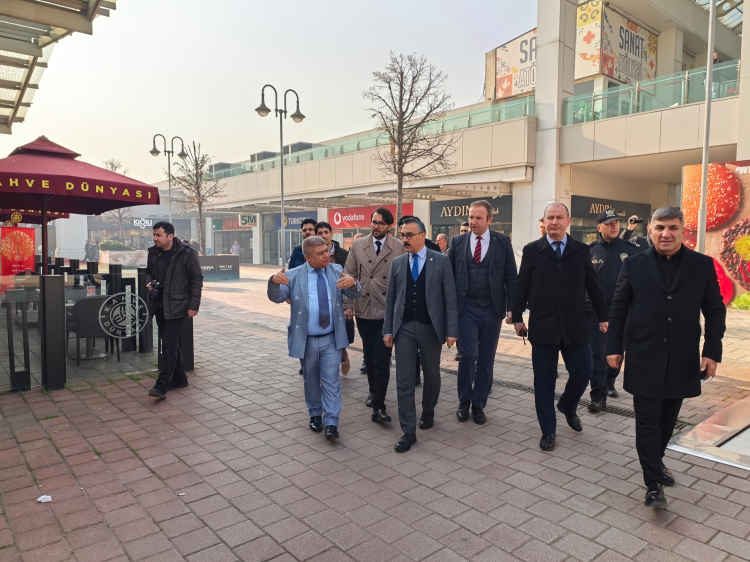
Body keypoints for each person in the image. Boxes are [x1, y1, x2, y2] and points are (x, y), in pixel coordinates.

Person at [607, 206, 726, 508]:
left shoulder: (702, 265)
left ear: (683, 231)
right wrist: (613, 347)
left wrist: (712, 352)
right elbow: (618, 309)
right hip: (644, 355)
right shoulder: (634, 264)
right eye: (660, 228)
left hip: (683, 357)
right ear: (650, 230)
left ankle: (655, 462)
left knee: (667, 420)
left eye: (673, 227)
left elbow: (715, 310)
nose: (666, 234)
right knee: (647, 421)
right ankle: (653, 484)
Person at [512, 203, 608, 452]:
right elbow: (522, 285)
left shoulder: (581, 249)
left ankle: (567, 405)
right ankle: (548, 430)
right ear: (544, 221)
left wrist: (603, 316)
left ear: (568, 221)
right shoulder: (532, 250)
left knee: (583, 372)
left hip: (575, 324)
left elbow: (593, 285)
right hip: (543, 326)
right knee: (544, 382)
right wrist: (517, 317)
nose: (554, 221)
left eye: (559, 217)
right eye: (550, 217)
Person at [267, 236, 361, 439]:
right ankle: (315, 414)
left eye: (326, 250)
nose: (327, 255)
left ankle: (331, 422)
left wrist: (354, 283)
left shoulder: (336, 270)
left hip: (331, 338)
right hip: (307, 339)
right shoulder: (293, 275)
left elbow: (354, 294)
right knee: (310, 379)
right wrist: (273, 282)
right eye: (321, 253)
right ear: (308, 257)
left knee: (331, 379)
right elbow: (277, 297)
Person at [383, 217, 458, 452]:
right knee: (403, 379)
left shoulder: (441, 261)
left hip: (430, 328)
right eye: (402, 235)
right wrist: (388, 329)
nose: (404, 239)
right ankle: (408, 431)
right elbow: (391, 300)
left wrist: (451, 330)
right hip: (404, 328)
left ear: (422, 235)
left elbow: (450, 298)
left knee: (432, 374)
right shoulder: (397, 263)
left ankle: (428, 410)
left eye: (409, 235)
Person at [448, 200, 517, 425]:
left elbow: (511, 277)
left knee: (486, 360)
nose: (473, 221)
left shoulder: (502, 242)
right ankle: (464, 400)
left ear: (489, 219)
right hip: (465, 309)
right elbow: (447, 277)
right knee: (468, 355)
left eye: (478, 218)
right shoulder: (457, 241)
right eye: (471, 217)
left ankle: (479, 404)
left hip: (491, 309)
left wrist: (512, 309)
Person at [344, 207, 405, 422]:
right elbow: (349, 275)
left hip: (387, 311)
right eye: (373, 222)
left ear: (389, 226)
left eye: (380, 223)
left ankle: (379, 405)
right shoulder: (358, 245)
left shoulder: (399, 246)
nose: (376, 226)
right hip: (364, 307)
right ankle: (373, 391)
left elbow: (403, 279)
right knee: (369, 356)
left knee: (382, 358)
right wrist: (348, 304)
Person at [586, 209, 641, 411]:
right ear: (599, 227)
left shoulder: (631, 250)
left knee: (618, 350)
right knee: (597, 354)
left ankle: (610, 381)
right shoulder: (589, 251)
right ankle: (598, 396)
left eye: (616, 223)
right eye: (609, 224)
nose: (614, 226)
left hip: (623, 312)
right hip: (595, 312)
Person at [145, 221, 204, 399]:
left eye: (158, 235)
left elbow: (197, 278)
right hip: (159, 305)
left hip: (178, 305)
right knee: (170, 342)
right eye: (154, 235)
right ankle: (179, 378)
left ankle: (161, 385)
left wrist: (193, 305)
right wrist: (149, 282)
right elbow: (148, 272)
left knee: (168, 345)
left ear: (170, 236)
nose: (155, 238)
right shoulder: (153, 252)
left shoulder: (187, 253)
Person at [316, 221, 353, 375]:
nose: (323, 235)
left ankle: (343, 354)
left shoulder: (343, 255)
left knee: (339, 333)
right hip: (319, 300)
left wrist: (348, 305)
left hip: (337, 301)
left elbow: (349, 280)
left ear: (331, 234)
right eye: (320, 233)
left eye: (326, 232)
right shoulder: (311, 254)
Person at [289, 218, 317, 374]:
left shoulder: (322, 251)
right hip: (300, 299)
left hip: (319, 297)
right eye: (304, 230)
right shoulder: (297, 250)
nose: (307, 232)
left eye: (310, 229)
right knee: (300, 331)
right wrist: (288, 292)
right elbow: (290, 272)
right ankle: (304, 362)